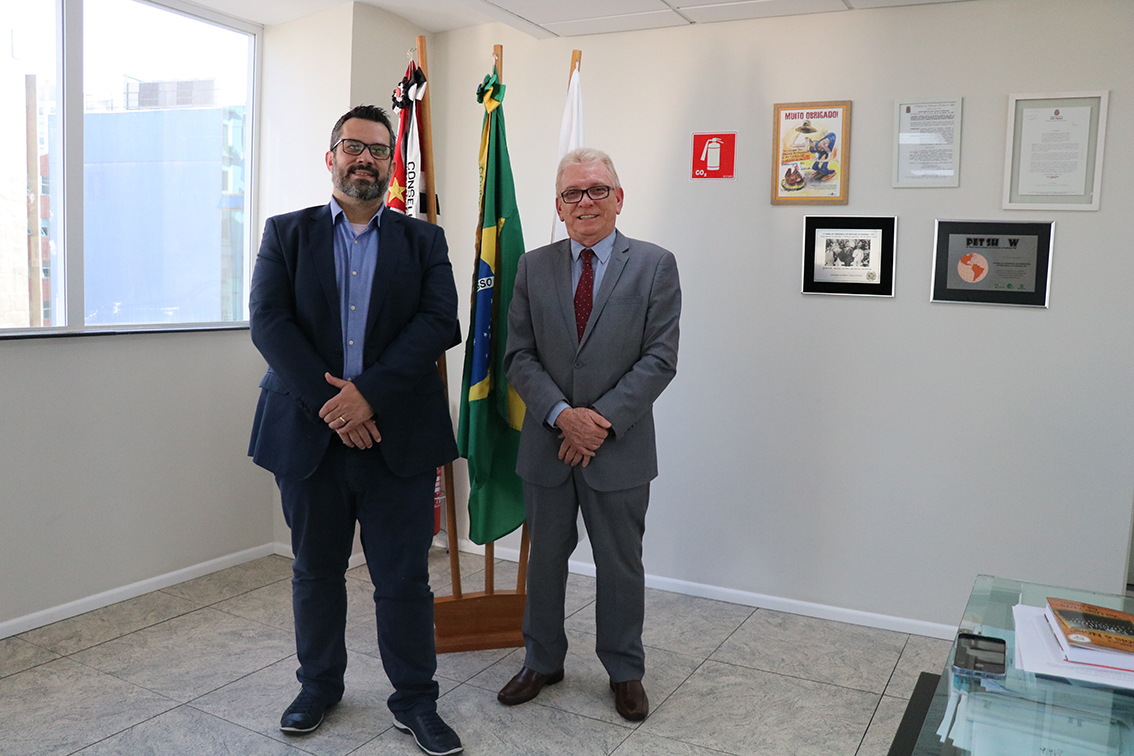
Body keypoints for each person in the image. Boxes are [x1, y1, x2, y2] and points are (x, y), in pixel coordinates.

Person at [248, 104, 463, 756]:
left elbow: (439, 323)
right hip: (309, 440)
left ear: (390, 164)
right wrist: (333, 406)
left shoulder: (424, 240)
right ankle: (319, 686)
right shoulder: (286, 233)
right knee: (315, 571)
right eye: (352, 147)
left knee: (403, 579)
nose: (364, 158)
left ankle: (415, 701)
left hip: (397, 438)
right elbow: (268, 323)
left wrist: (366, 396)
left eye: (376, 150)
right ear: (331, 157)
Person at [498, 147, 681, 721]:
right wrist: (561, 415)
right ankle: (542, 660)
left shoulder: (655, 264)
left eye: (597, 189)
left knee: (620, 565)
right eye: (573, 193)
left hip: (618, 447)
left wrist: (595, 421)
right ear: (559, 205)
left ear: (618, 198)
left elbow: (660, 358)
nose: (585, 202)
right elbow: (519, 356)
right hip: (547, 443)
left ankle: (625, 670)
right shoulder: (533, 266)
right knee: (545, 560)